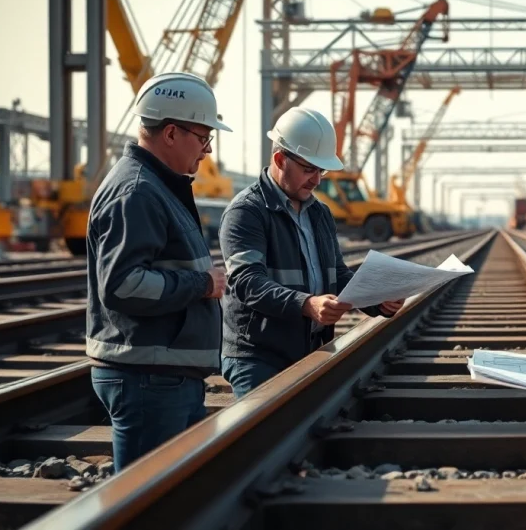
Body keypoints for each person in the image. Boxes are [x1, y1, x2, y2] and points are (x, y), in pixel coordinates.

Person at [85, 72, 231, 472]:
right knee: (146, 502)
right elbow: (122, 285)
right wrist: (202, 284)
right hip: (148, 377)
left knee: (167, 495)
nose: (207, 150)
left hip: (161, 373)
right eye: (203, 138)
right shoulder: (137, 191)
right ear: (170, 133)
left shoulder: (158, 186)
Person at [219, 107, 404, 399]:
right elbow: (248, 284)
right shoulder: (246, 212)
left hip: (309, 349)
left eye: (321, 170)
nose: (317, 180)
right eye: (309, 169)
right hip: (257, 357)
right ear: (280, 160)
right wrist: (306, 304)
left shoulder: (320, 213)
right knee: (264, 440)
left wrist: (377, 301)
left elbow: (338, 275)